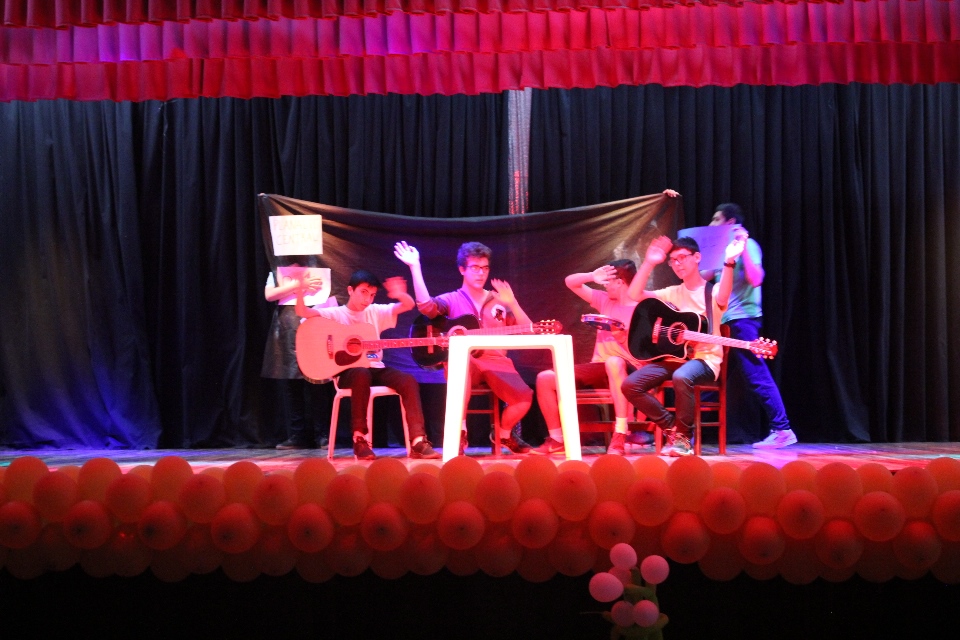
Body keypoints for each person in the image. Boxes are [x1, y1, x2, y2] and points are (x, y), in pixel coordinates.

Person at [394, 240, 534, 455]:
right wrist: (415, 267)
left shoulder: (499, 300)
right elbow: (426, 307)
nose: (481, 273)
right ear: (462, 269)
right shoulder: (452, 299)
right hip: (465, 361)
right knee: (459, 361)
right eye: (475, 267)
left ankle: (504, 434)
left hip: (496, 361)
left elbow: (528, 330)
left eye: (485, 268)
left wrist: (512, 302)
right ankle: (460, 431)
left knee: (524, 397)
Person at [296, 269, 441, 460]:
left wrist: (399, 294)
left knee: (408, 380)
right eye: (363, 292)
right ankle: (360, 439)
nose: (368, 299)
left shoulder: (375, 311)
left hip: (375, 368)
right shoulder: (335, 314)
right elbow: (303, 312)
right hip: (348, 372)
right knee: (361, 373)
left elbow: (407, 305)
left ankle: (418, 441)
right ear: (350, 290)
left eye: (372, 295)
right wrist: (300, 290)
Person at [622, 235, 739, 456]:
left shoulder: (711, 292)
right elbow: (634, 294)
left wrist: (729, 262)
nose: (677, 264)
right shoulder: (672, 292)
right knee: (630, 385)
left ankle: (684, 440)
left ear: (697, 257)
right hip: (675, 359)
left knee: (682, 376)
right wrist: (649, 262)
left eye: (682, 258)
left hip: (704, 360)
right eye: (673, 260)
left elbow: (723, 295)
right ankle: (672, 428)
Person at [534, 259, 651, 456]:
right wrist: (591, 276)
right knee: (544, 378)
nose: (604, 285)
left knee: (614, 362)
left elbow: (646, 353)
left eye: (607, 281)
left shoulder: (643, 308)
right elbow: (570, 282)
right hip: (600, 367)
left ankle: (620, 433)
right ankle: (557, 439)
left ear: (620, 282)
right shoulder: (605, 299)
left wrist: (621, 337)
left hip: (630, 368)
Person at [710, 203, 797, 448]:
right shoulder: (721, 249)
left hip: (742, 318)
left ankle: (782, 429)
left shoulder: (748, 246)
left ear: (730, 222)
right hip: (722, 319)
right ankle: (688, 429)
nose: (711, 224)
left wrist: (743, 245)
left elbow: (756, 279)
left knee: (756, 374)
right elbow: (705, 275)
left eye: (716, 220)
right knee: (710, 373)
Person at [262, 259, 329, 450]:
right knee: (293, 385)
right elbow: (269, 295)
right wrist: (298, 285)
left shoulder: (317, 270)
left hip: (313, 330)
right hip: (288, 332)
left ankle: (323, 435)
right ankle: (297, 436)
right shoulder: (276, 273)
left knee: (318, 385)